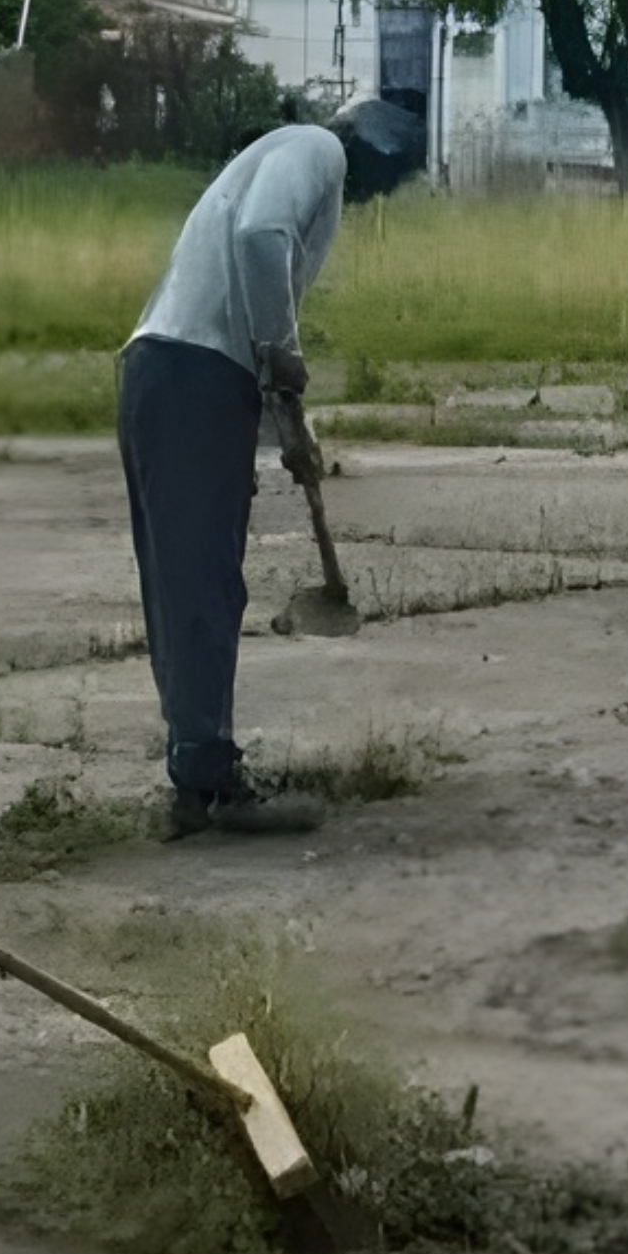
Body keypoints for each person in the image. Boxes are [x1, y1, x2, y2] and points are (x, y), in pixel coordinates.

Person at [117, 91, 427, 838]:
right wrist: (282, 356)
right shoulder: (315, 151)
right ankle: (207, 779)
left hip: (162, 368)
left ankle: (197, 765)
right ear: (374, 156)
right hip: (195, 372)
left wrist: (286, 419)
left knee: (190, 580)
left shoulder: (273, 157)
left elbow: (255, 280)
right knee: (202, 581)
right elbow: (262, 240)